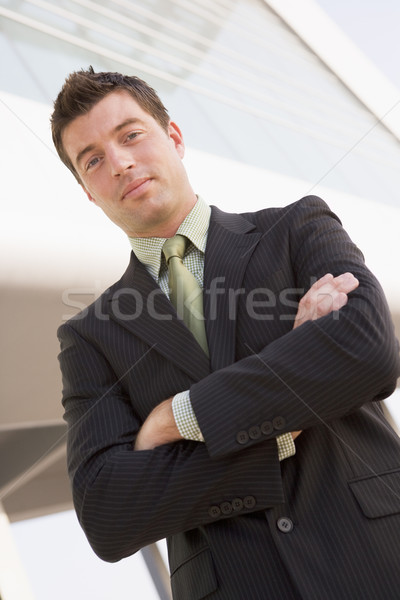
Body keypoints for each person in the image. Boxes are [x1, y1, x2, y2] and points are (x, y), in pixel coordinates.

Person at [52, 68, 400, 600]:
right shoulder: (91, 335)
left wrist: (177, 418)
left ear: (174, 138)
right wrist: (286, 418)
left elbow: (368, 350)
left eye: (130, 135)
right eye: (93, 159)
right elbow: (107, 512)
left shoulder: (295, 228)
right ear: (88, 192)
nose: (119, 163)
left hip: (377, 557)